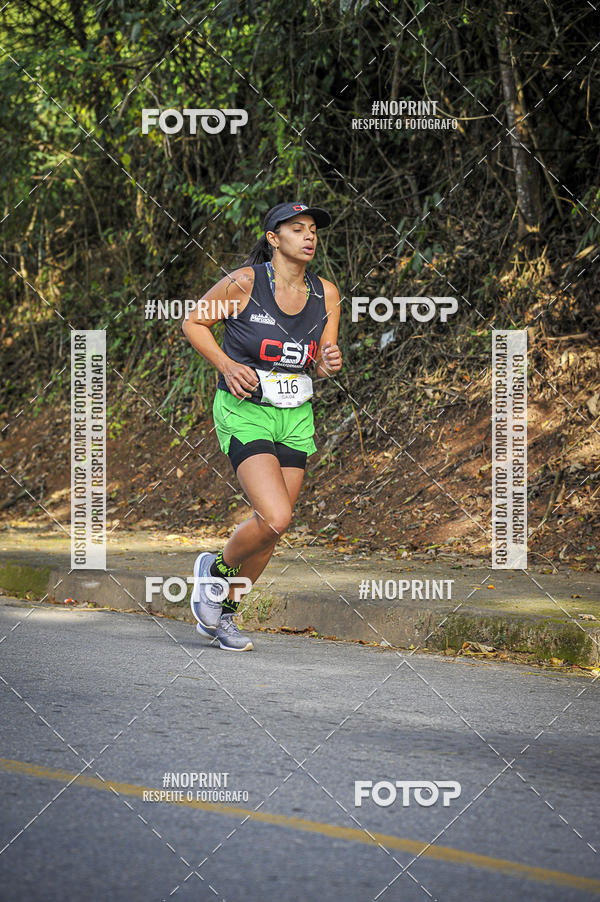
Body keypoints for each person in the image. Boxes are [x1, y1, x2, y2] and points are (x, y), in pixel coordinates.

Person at [182, 201, 343, 650]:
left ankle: (225, 617)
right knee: (276, 515)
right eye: (297, 229)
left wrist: (329, 361)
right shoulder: (245, 283)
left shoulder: (326, 293)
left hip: (295, 413)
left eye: (312, 230)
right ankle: (212, 574)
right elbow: (194, 321)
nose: (308, 236)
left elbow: (323, 359)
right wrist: (226, 363)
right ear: (274, 238)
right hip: (244, 408)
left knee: (274, 529)